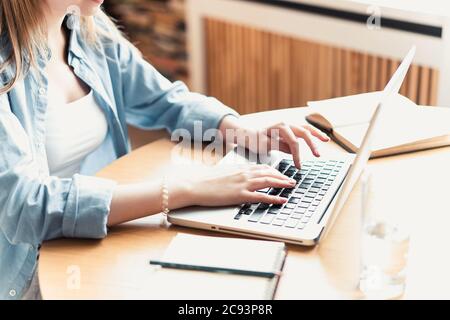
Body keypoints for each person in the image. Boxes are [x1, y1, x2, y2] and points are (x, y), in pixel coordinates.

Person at [0, 0, 329, 300]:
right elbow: (27, 207)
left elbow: (163, 100)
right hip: (26, 275)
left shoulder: (86, 27)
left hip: (90, 239)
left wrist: (242, 130)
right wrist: (187, 191)